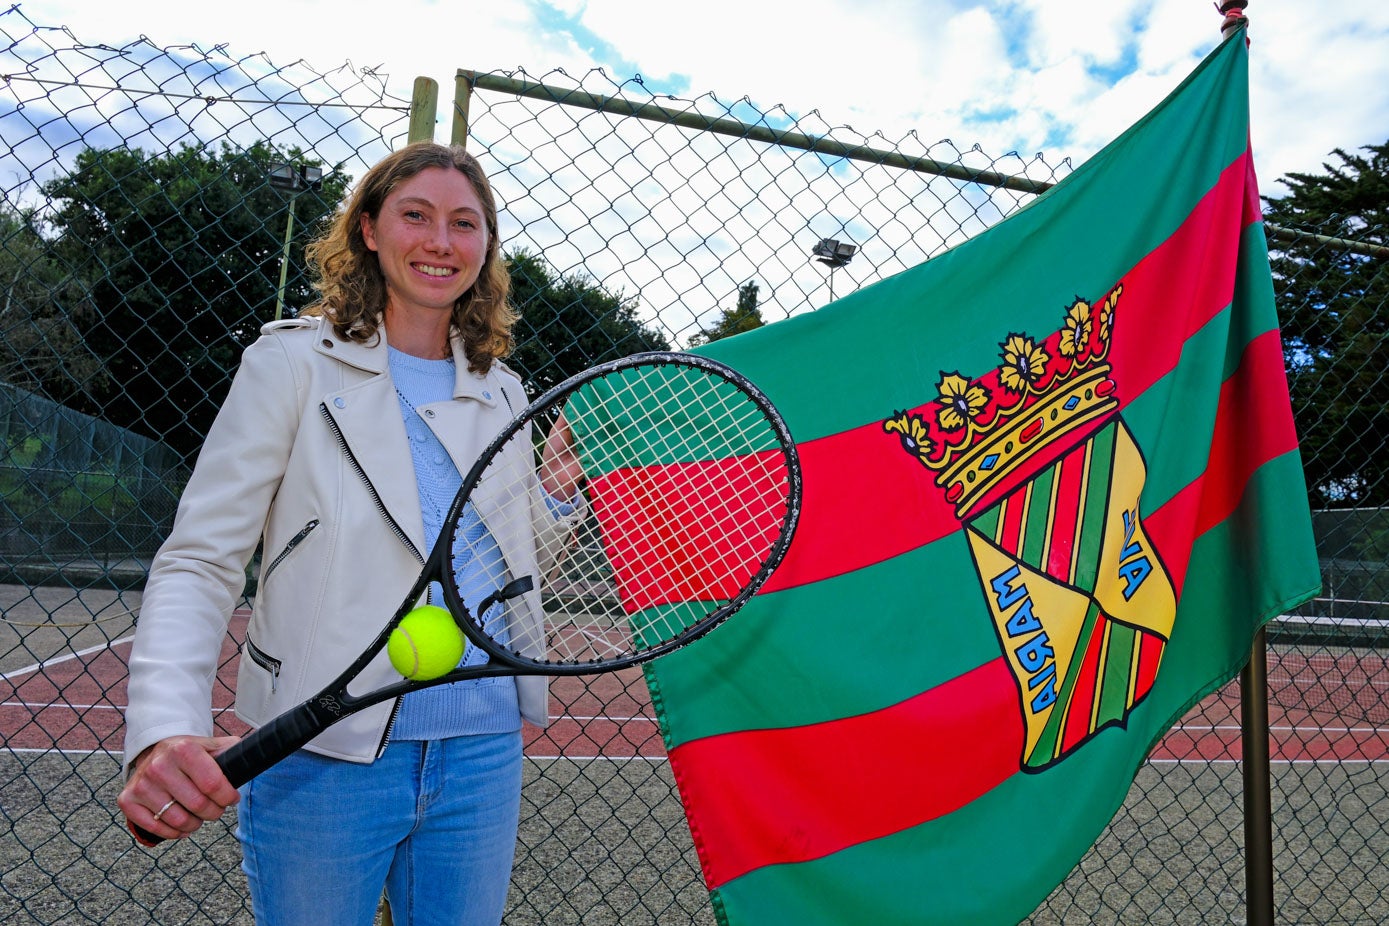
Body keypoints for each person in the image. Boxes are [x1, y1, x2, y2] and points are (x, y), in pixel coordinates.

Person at [118, 141, 584, 926]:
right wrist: (165, 725)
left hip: (481, 749)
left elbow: (506, 567)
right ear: (368, 229)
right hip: (319, 750)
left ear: (485, 247)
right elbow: (201, 558)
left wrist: (558, 501)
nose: (441, 241)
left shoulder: (503, 390)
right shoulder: (290, 365)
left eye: (464, 224)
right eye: (416, 215)